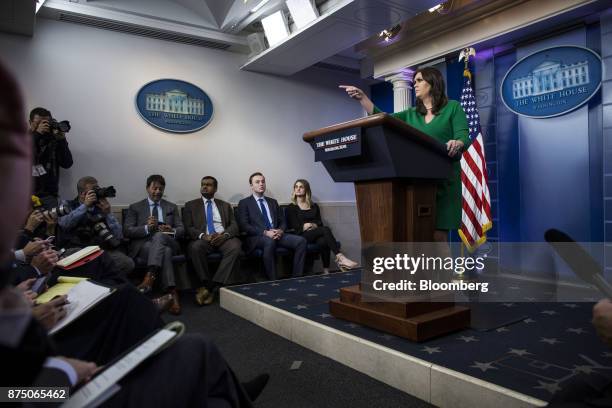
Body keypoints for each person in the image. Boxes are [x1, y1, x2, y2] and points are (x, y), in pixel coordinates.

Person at [0, 60, 268, 407]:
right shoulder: (71, 207)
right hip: (47, 385)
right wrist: (63, 375)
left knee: (126, 297)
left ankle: (157, 321)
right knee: (198, 349)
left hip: (40, 332)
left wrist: (28, 282)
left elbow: (114, 235)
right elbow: (11, 394)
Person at [340, 67, 470, 242]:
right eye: (414, 81)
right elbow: (382, 118)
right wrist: (363, 98)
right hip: (420, 182)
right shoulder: (411, 114)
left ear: (432, 83)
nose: (414, 84)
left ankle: (443, 271)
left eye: (419, 81)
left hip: (445, 183)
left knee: (438, 236)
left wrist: (458, 143)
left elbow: (463, 137)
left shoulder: (453, 107)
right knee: (420, 234)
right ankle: (426, 271)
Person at [124, 174, 184, 314]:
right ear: (147, 188)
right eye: (154, 188)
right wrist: (146, 228)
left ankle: (149, 277)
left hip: (169, 240)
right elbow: (127, 231)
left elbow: (182, 229)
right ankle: (171, 292)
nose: (157, 191)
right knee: (166, 252)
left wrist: (172, 230)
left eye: (161, 189)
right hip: (144, 246)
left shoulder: (171, 207)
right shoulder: (135, 207)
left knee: (160, 236)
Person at [58, 176, 135, 276]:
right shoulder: (68, 204)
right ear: (82, 194)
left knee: (127, 263)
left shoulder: (101, 207)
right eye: (93, 191)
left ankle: (101, 282)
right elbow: (64, 224)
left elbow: (119, 235)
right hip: (76, 250)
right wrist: (84, 206)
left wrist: (108, 214)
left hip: (100, 250)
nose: (97, 193)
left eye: (97, 189)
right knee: (91, 265)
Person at [183, 176, 242, 305]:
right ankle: (207, 283)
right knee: (195, 247)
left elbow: (234, 225)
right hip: (204, 239)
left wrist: (225, 235)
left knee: (236, 246)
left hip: (222, 237)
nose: (204, 186)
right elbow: (188, 227)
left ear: (215, 188)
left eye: (208, 185)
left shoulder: (225, 205)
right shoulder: (190, 205)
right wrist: (204, 236)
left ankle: (210, 287)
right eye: (203, 184)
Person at [238, 172, 307, 281]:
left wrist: (280, 230)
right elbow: (244, 226)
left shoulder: (273, 202)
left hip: (276, 234)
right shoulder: (244, 203)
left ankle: (297, 278)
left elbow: (283, 221)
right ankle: (273, 281)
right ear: (251, 186)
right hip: (257, 237)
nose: (261, 184)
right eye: (257, 182)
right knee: (269, 241)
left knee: (301, 241)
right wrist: (265, 233)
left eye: (263, 181)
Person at [286, 179, 358, 273]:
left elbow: (319, 223)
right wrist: (305, 226)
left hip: (314, 234)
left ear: (306, 190)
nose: (298, 189)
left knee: (323, 241)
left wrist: (313, 225)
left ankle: (326, 271)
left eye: (301, 187)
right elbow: (294, 227)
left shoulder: (314, 206)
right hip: (301, 235)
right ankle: (341, 258)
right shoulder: (291, 207)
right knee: (325, 229)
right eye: (296, 187)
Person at [29, 107, 73, 206]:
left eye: (46, 123)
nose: (43, 125)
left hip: (49, 196)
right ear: (30, 122)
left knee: (50, 221)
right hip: (24, 194)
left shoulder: (54, 140)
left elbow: (67, 163)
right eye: (39, 122)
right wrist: (36, 134)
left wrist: (61, 140)